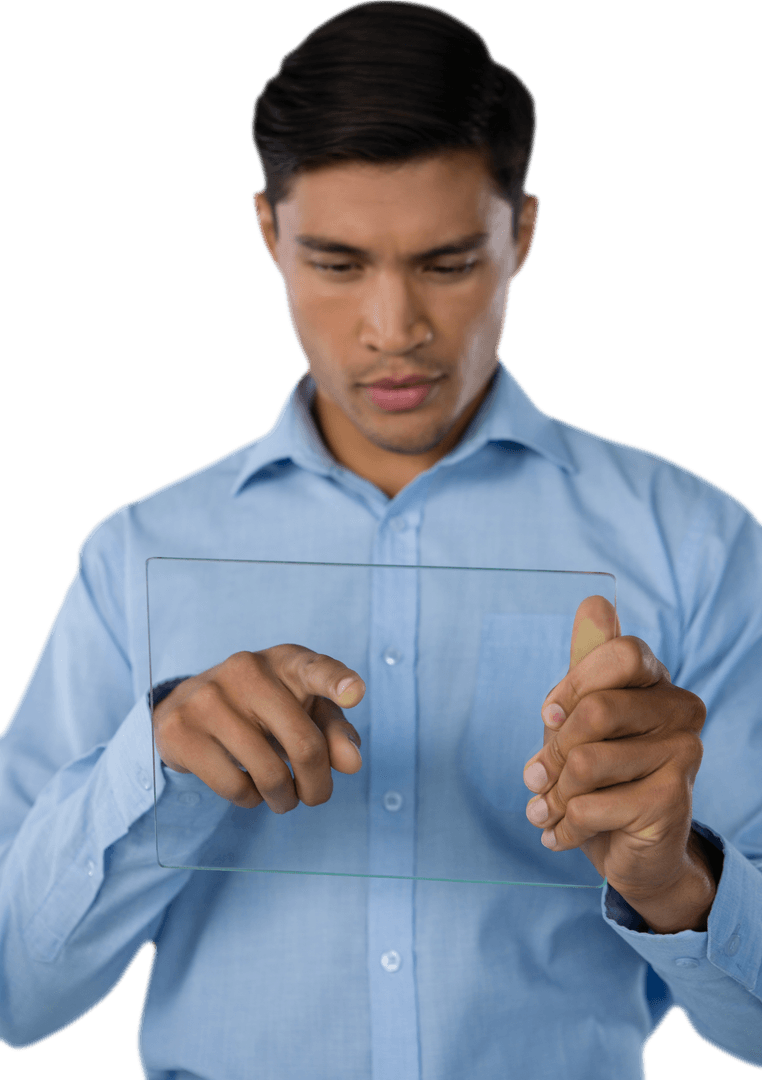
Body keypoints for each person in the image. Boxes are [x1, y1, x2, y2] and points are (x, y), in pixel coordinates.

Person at [1, 2, 760, 1077]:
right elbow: (16, 994)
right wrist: (155, 756)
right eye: (337, 263)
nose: (393, 329)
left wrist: (675, 879)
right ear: (268, 234)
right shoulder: (136, 555)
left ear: (521, 236)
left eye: (447, 263)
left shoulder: (698, 544)